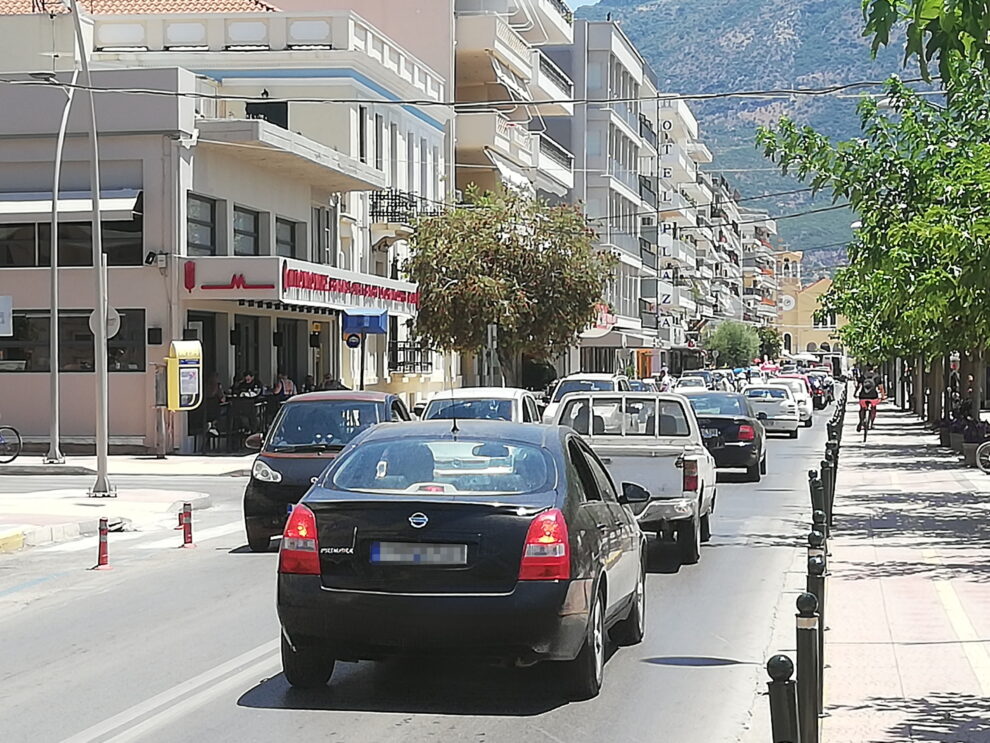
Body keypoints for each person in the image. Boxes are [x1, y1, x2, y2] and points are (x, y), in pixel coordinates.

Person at [856, 366, 885, 432]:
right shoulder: (877, 377)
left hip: (863, 396)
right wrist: (883, 396)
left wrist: (855, 393)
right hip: (873, 397)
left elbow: (858, 386)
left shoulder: (863, 376)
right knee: (873, 408)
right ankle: (871, 423)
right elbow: (881, 388)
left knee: (862, 408)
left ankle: (861, 421)